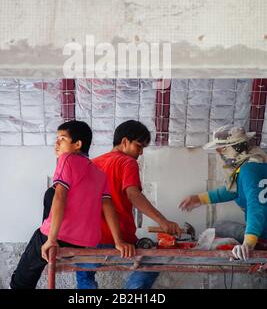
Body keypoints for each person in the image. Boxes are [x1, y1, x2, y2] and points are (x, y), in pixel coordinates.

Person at [10, 120, 134, 289]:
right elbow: (108, 206)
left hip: (60, 236)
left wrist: (52, 239)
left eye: (62, 139)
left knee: (23, 277)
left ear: (77, 144)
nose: (56, 143)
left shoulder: (67, 159)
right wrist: (118, 241)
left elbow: (60, 196)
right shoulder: (99, 173)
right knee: (50, 195)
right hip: (83, 241)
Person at [71, 120, 182, 289]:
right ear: (124, 142)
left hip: (87, 244)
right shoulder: (127, 162)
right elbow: (133, 195)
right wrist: (163, 222)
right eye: (139, 146)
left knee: (83, 273)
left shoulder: (91, 163)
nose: (141, 152)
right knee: (153, 259)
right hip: (120, 243)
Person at [179, 125, 267, 261]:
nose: (219, 154)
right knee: (219, 227)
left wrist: (248, 244)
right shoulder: (255, 164)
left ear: (233, 149)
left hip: (262, 232)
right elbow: (233, 191)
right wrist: (199, 199)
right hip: (261, 226)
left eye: (220, 150)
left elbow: (257, 207)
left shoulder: (249, 170)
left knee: (218, 228)